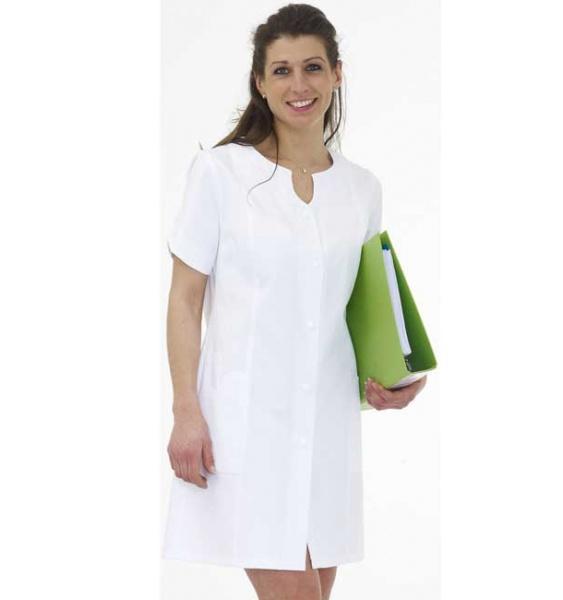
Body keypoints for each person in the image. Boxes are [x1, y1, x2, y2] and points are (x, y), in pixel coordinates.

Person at [162, 4, 427, 599]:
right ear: (259, 82)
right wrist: (185, 410)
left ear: (337, 73)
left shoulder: (361, 189)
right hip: (244, 428)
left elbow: (364, 309)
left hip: (327, 430)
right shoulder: (220, 174)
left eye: (312, 67)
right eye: (281, 70)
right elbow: (185, 300)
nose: (298, 85)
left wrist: (399, 376)